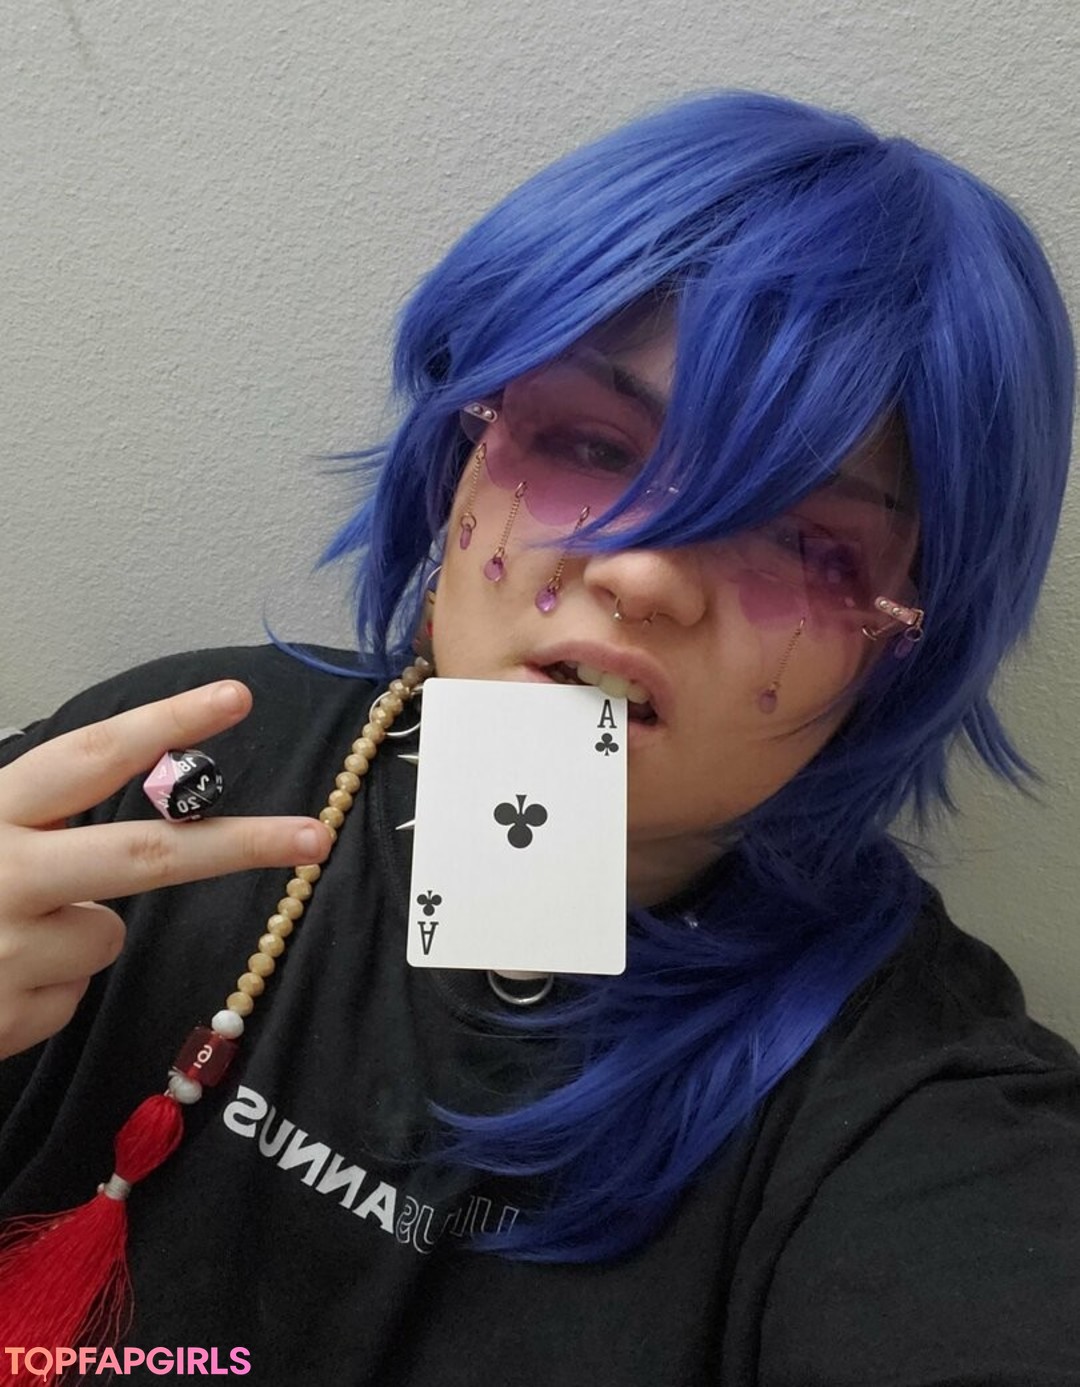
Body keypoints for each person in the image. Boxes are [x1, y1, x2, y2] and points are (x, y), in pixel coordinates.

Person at [0, 89, 1077, 1387]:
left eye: (807, 541)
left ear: (906, 643)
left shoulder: (918, 1102)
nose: (645, 574)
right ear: (457, 453)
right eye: (586, 443)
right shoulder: (159, 765)